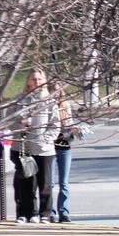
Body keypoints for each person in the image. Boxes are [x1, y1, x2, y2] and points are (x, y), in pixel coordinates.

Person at [20, 67, 59, 223]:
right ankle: (30, 213)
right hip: (25, 148)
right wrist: (20, 127)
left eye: (39, 79)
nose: (36, 82)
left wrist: (44, 139)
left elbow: (55, 125)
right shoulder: (21, 99)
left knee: (45, 184)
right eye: (33, 79)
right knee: (28, 183)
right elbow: (11, 123)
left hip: (44, 149)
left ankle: (45, 213)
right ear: (28, 81)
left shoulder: (49, 100)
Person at [49, 80, 76, 223]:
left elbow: (70, 126)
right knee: (50, 183)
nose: (57, 94)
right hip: (50, 148)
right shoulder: (47, 107)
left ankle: (63, 212)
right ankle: (50, 212)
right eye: (54, 91)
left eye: (59, 91)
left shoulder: (66, 106)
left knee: (64, 183)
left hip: (64, 147)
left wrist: (73, 129)